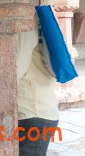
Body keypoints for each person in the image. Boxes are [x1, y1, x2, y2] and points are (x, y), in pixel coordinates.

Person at [16, 12, 59, 156]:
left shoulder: (25, 17)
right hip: (37, 109)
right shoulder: (38, 15)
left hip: (33, 112)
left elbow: (16, 68)